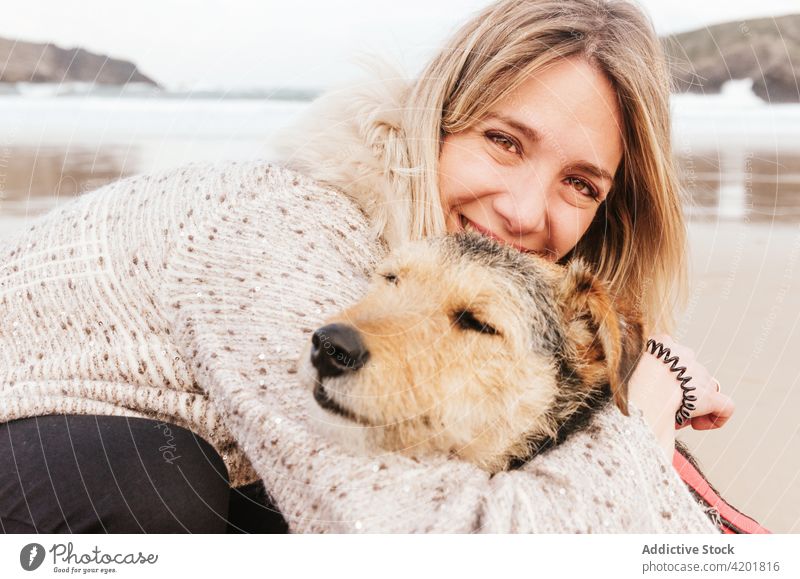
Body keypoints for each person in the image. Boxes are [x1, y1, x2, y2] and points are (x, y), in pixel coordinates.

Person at [0, 0, 729, 533]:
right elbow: (427, 538)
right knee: (151, 479)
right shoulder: (288, 232)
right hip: (45, 441)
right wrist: (648, 408)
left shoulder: (472, 287)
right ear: (438, 114)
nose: (525, 211)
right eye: (505, 141)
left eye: (580, 184)